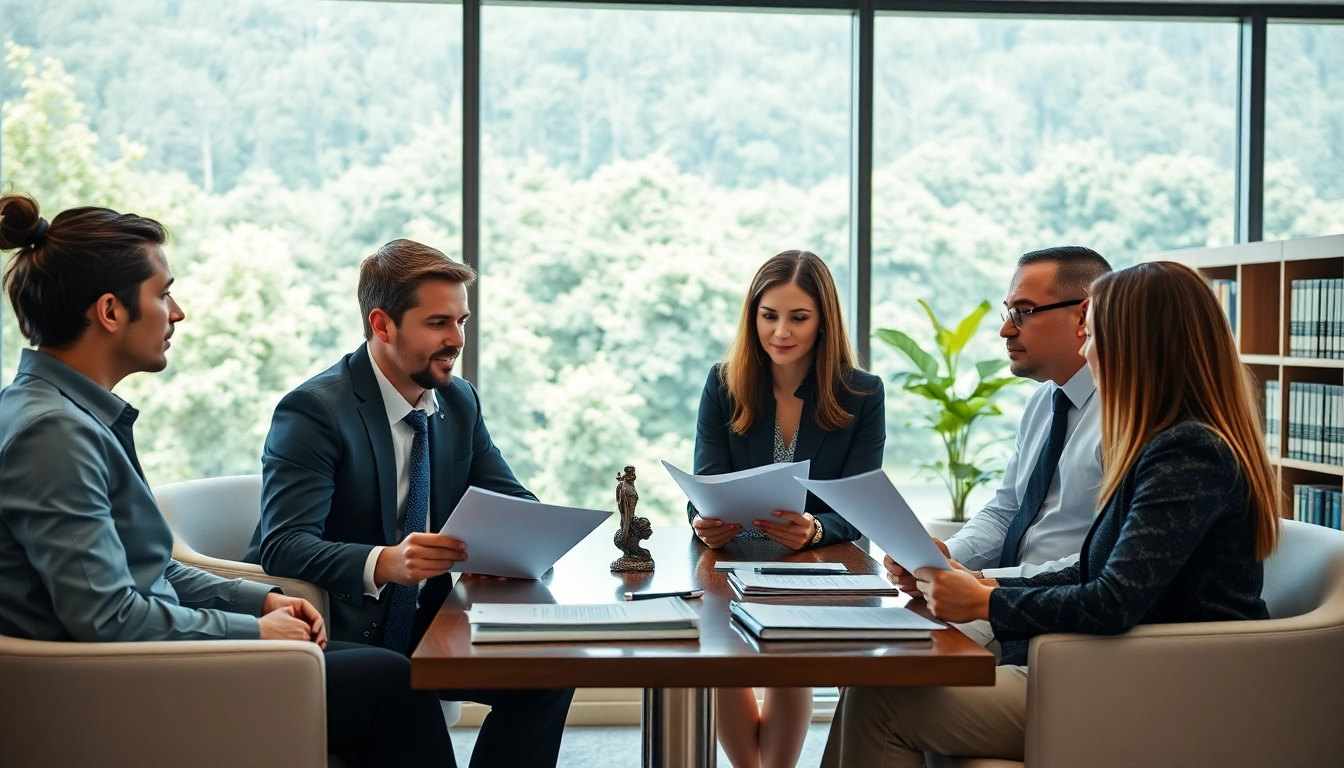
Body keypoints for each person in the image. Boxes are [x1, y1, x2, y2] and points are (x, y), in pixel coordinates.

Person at [0, 195, 452, 767]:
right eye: (163, 294)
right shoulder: (55, 434)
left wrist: (261, 600)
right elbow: (106, 617)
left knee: (378, 679)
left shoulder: (68, 414)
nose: (178, 312)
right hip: (119, 689)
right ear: (111, 312)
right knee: (391, 683)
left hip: (149, 659)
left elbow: (149, 568)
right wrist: (251, 633)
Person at [822, 260, 1280, 767]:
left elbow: (1112, 600)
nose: (1086, 348)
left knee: (882, 697)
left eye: (1095, 333)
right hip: (1118, 670)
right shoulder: (1164, 443)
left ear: (1136, 344)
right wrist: (982, 585)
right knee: (881, 678)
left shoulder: (1187, 454)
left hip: (1160, 691)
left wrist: (983, 603)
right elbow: (1093, 571)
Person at [245, 239, 573, 768]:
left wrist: (513, 542)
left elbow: (510, 497)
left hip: (433, 615)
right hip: (342, 626)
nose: (457, 340)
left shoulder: (458, 400)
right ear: (382, 325)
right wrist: (385, 561)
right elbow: (282, 544)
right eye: (439, 323)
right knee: (400, 691)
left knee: (549, 671)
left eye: (462, 321)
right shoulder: (314, 410)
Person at [691, 250, 885, 768]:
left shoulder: (861, 393)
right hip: (730, 549)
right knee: (719, 653)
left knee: (789, 654)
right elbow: (704, 480)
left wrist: (817, 529)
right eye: (768, 315)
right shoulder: (724, 381)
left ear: (824, 321)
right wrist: (703, 518)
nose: (780, 331)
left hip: (820, 559)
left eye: (798, 317)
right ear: (752, 316)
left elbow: (863, 504)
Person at [887, 246, 1111, 655]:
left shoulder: (1126, 418)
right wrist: (946, 557)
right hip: (999, 596)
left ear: (1083, 317)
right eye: (1008, 312)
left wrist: (980, 585)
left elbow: (1100, 568)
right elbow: (1007, 509)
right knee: (877, 654)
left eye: (1023, 312)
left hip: (1056, 623)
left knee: (894, 674)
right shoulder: (1044, 401)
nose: (1006, 330)